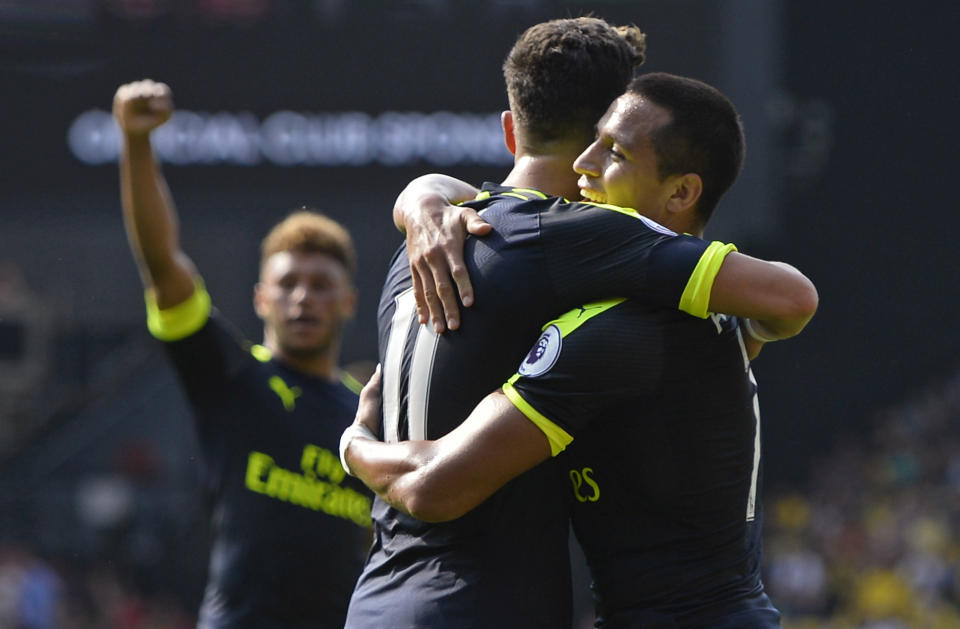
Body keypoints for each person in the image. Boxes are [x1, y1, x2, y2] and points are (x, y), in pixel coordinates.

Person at [343, 17, 815, 629]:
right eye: (593, 144)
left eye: (613, 152)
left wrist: (353, 445)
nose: (589, 166)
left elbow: (433, 488)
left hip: (392, 595)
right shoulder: (664, 309)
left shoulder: (429, 254)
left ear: (511, 132)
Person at [113, 79, 373, 629]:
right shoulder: (231, 376)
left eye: (322, 284)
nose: (303, 297)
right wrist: (136, 143)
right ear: (261, 297)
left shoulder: (373, 415)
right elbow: (163, 266)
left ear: (349, 301)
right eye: (288, 283)